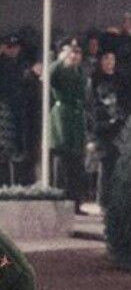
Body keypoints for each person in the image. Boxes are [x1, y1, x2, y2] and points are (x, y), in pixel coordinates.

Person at [85, 49, 128, 207]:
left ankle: (115, 200)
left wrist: (120, 117)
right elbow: (90, 106)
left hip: (118, 127)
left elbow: (125, 101)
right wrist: (93, 132)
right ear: (100, 61)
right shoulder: (94, 80)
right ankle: (103, 201)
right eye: (106, 59)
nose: (110, 62)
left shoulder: (120, 79)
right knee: (105, 163)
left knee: (118, 163)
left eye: (112, 59)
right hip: (102, 128)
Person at [49, 39, 88, 202]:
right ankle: (59, 197)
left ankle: (75, 201)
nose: (74, 56)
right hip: (62, 117)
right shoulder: (59, 69)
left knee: (76, 164)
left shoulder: (79, 71)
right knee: (61, 160)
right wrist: (60, 60)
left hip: (77, 118)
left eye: (77, 52)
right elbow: (50, 77)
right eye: (71, 51)